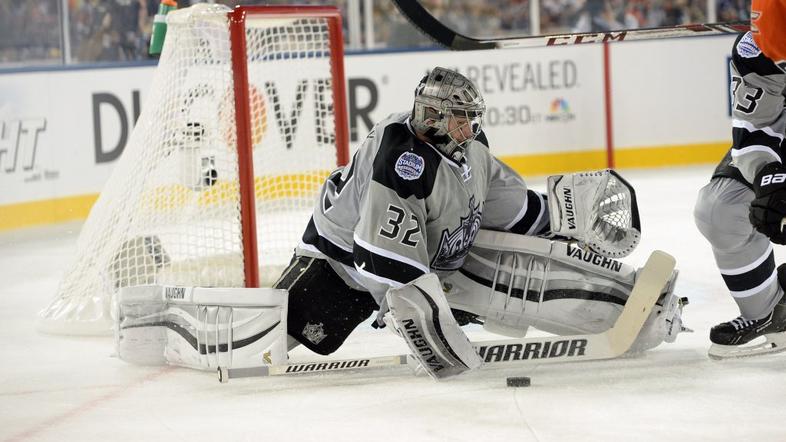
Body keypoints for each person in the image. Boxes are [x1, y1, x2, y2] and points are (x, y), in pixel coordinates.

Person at [275, 67, 684, 379]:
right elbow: (381, 259)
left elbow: (503, 204)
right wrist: (421, 323)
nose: (471, 127)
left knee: (520, 274)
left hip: (431, 248)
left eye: (473, 117)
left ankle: (638, 302)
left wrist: (558, 219)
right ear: (434, 116)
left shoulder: (467, 147)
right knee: (273, 336)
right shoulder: (403, 163)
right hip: (339, 265)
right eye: (462, 118)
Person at [694, 0, 786, 359]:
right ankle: (769, 313)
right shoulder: (756, 51)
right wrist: (769, 177)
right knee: (720, 209)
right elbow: (755, 131)